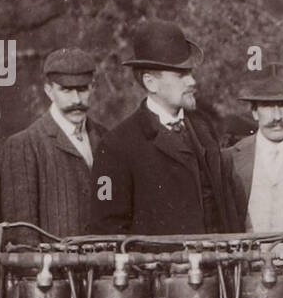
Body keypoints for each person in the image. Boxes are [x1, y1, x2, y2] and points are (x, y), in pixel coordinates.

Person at [88, 19, 241, 235]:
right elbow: (107, 228)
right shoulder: (116, 146)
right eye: (181, 75)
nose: (192, 82)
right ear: (151, 83)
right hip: (158, 268)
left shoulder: (203, 129)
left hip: (215, 267)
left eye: (190, 73)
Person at [0, 48, 108, 238]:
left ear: (93, 87)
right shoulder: (25, 145)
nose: (76, 100)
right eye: (65, 90)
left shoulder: (105, 138)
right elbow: (22, 236)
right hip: (51, 267)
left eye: (83, 89)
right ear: (49, 90)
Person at [226, 74, 283, 260]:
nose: (277, 116)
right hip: (248, 270)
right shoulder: (230, 157)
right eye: (267, 106)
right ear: (255, 112)